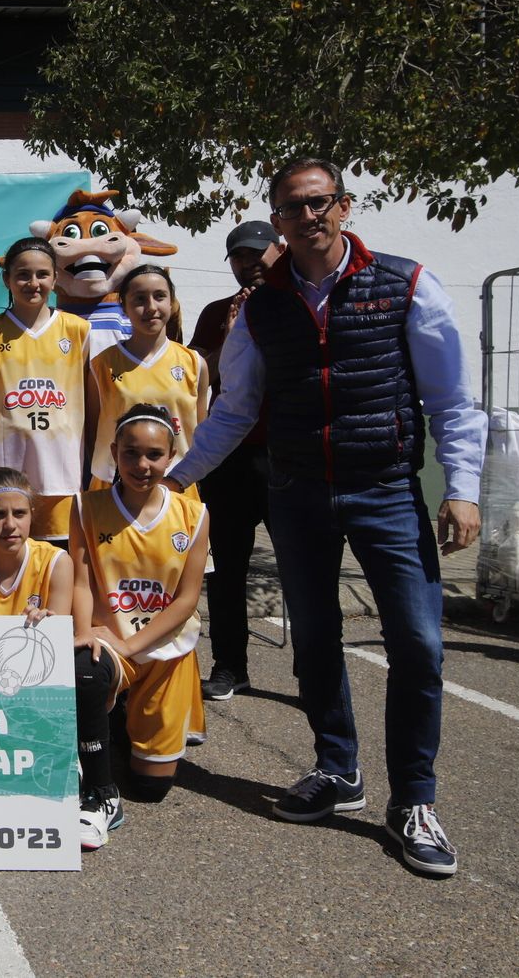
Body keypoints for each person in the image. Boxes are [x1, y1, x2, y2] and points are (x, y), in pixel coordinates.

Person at [166, 158, 486, 877]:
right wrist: (175, 480)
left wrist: (460, 487)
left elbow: (453, 399)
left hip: (387, 490)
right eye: (292, 207)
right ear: (277, 219)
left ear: (343, 206)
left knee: (419, 645)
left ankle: (414, 801)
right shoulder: (261, 308)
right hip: (299, 492)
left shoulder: (405, 283)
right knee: (313, 642)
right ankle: (337, 768)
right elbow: (236, 409)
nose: (307, 216)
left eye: (319, 203)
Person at [0, 467, 125, 850]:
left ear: (32, 516)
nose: (9, 525)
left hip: (34, 682)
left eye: (19, 514)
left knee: (86, 670)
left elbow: (56, 640)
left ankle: (100, 789)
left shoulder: (55, 561)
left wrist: (50, 621)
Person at [71, 406, 211, 827]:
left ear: (172, 456)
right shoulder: (86, 507)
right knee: (86, 671)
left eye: (154, 454)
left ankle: (121, 722)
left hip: (164, 649)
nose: (142, 465)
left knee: (151, 789)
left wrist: (131, 645)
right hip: (110, 641)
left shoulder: (194, 515)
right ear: (114, 452)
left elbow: (186, 601)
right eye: (131, 453)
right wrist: (84, 632)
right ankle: (100, 775)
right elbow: (79, 582)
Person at [187, 221, 282, 701]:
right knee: (226, 568)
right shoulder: (216, 312)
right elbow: (198, 380)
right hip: (228, 457)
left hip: (286, 456)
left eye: (257, 253)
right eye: (239, 258)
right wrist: (228, 334)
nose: (249, 265)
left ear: (278, 249)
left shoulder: (297, 303)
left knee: (305, 568)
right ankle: (230, 666)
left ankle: (316, 671)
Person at [0, 238, 91, 544]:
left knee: (56, 568)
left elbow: (91, 405)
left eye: (42, 274)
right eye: (22, 275)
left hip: (59, 476)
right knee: (5, 570)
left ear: (55, 278)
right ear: (7, 279)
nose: (33, 283)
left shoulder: (77, 330)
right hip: (3, 477)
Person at [84, 264, 208, 492]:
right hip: (114, 486)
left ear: (171, 302)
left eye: (159, 296)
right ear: (124, 306)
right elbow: (92, 434)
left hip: (177, 485)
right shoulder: (102, 364)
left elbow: (201, 435)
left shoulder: (194, 363)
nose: (151, 307)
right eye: (139, 299)